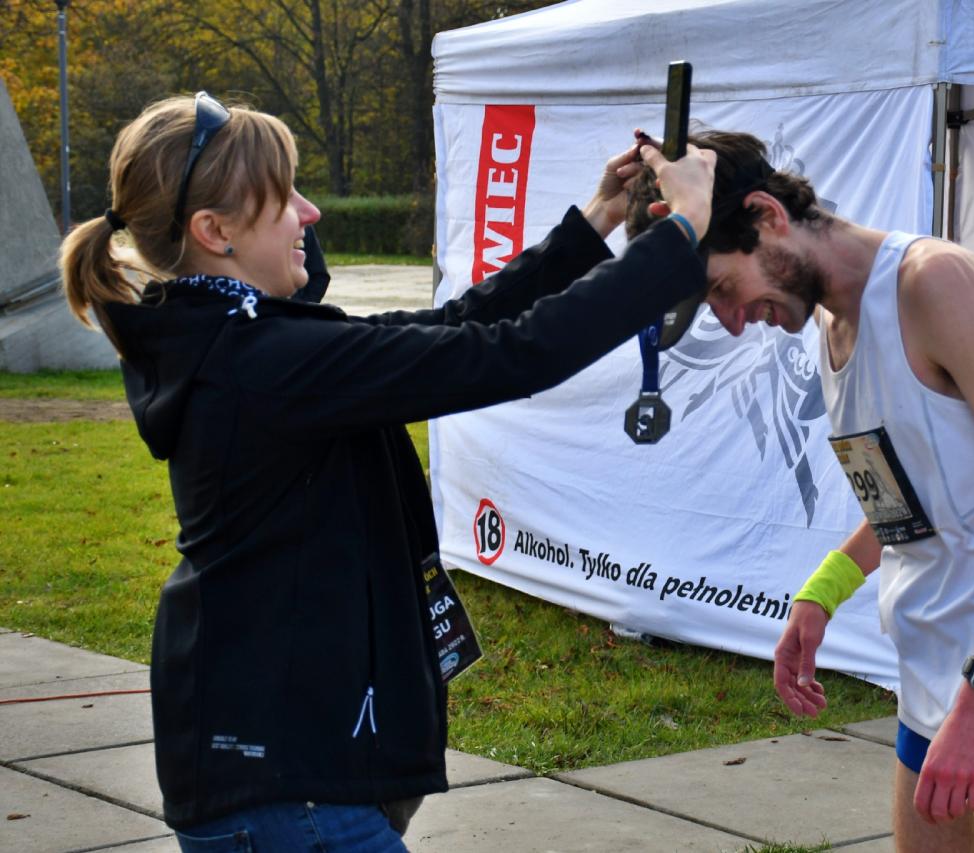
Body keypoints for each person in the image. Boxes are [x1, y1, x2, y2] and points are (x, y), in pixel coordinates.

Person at [60, 91, 715, 850]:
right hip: (288, 789)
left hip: (277, 772)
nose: (309, 213)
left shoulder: (234, 345)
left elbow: (453, 327)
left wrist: (595, 221)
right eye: (285, 198)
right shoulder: (262, 365)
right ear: (215, 232)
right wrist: (681, 237)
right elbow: (512, 354)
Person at [626, 131, 974, 853]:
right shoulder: (830, 321)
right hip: (937, 670)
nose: (730, 318)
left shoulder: (931, 282)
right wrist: (822, 591)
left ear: (766, 216)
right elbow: (912, 497)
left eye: (722, 288)